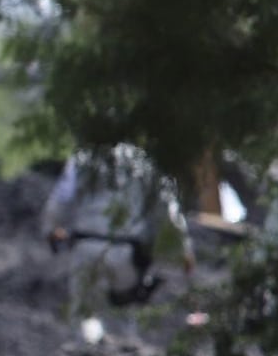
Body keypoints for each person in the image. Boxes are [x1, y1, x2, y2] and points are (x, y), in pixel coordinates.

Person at [41, 142, 195, 342]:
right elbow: (167, 210)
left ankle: (87, 352)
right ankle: (126, 353)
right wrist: (183, 248)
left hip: (86, 246)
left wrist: (51, 228)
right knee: (125, 315)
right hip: (126, 251)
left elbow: (61, 197)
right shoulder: (144, 163)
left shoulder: (82, 160)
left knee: (84, 315)